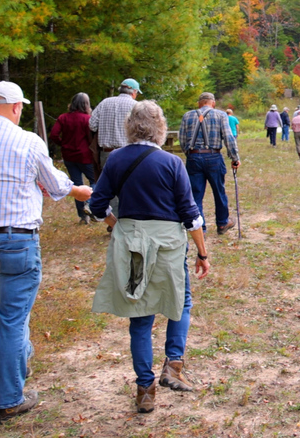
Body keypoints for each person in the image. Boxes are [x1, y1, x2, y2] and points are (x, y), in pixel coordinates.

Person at [0, 82, 93, 424]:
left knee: (2, 312)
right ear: (16, 107)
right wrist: (80, 191)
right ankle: (10, 398)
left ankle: (18, 359)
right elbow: (57, 185)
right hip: (15, 240)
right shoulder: (27, 141)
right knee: (13, 319)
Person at [87, 101, 209, 415]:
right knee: (179, 302)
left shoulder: (115, 160)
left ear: (131, 126)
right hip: (168, 243)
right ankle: (174, 364)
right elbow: (190, 215)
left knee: (140, 315)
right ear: (159, 128)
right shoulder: (171, 163)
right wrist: (202, 252)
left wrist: (119, 227)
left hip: (132, 245)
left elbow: (97, 206)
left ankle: (145, 390)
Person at [178, 92, 240, 235]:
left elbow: (182, 139)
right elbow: (228, 137)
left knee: (195, 194)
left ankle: (200, 228)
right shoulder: (220, 115)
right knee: (219, 191)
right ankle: (222, 223)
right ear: (213, 103)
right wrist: (234, 157)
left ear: (199, 103)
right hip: (214, 157)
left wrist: (189, 153)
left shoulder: (187, 116)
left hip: (194, 157)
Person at [89, 78, 140, 216]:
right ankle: (125, 219)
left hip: (107, 153)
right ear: (133, 92)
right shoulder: (136, 106)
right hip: (129, 153)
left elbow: (92, 124)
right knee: (129, 187)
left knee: (110, 188)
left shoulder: (105, 103)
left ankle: (113, 222)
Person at [49, 92, 97, 224]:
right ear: (86, 105)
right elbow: (91, 138)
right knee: (96, 180)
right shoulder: (87, 119)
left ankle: (83, 217)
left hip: (69, 156)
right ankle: (89, 203)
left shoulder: (63, 118)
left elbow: (53, 135)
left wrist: (62, 144)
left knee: (77, 185)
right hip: (85, 156)